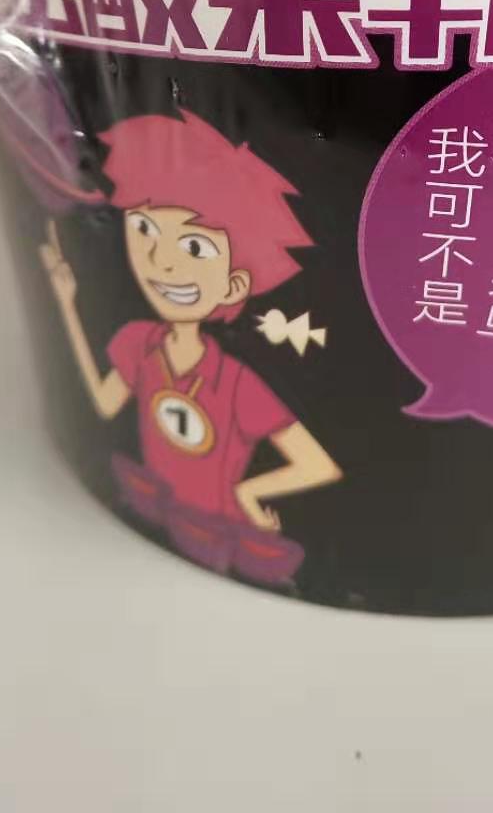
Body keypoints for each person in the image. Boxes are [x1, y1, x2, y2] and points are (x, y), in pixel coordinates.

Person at [39, 111, 341, 583]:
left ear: (235, 284)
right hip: (150, 510)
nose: (161, 262)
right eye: (145, 229)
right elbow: (103, 400)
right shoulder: (140, 343)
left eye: (195, 248)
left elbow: (315, 463)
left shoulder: (236, 385)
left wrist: (249, 492)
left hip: (219, 536)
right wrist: (68, 305)